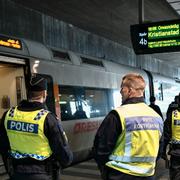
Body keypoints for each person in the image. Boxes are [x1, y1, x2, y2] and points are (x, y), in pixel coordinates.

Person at [0, 74, 73, 180]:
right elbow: (64, 156)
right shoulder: (47, 118)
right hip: (42, 174)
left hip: (16, 173)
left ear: (28, 93)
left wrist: (11, 172)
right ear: (44, 93)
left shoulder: (8, 115)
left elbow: (3, 148)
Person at [93, 73, 163, 180]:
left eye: (122, 88)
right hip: (148, 175)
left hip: (120, 175)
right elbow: (159, 149)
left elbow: (101, 148)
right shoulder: (156, 116)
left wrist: (105, 170)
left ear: (129, 91)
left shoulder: (118, 114)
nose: (121, 92)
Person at [162, 93, 180, 180]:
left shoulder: (172, 110)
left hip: (176, 152)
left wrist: (163, 150)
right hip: (175, 152)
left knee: (176, 176)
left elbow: (166, 132)